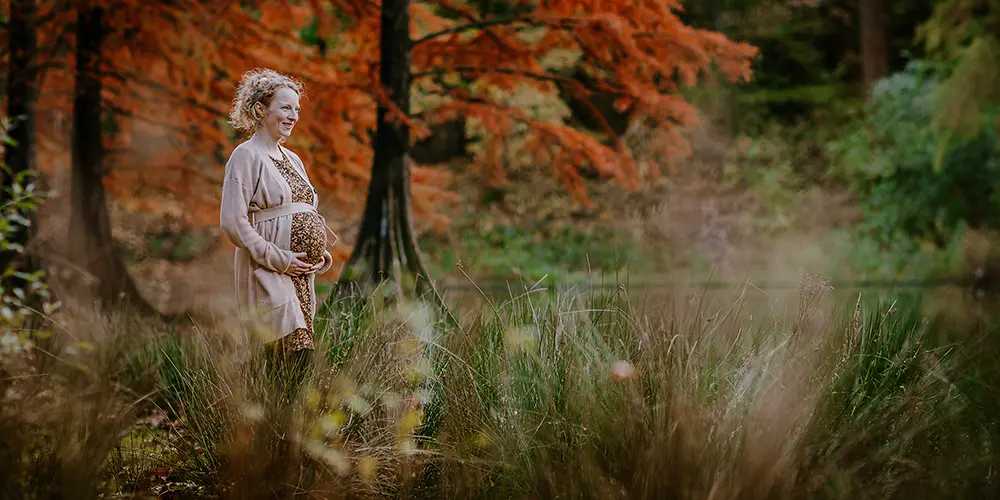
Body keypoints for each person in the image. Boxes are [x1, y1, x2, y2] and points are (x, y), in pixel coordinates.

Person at [219, 68, 336, 358]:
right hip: (268, 270)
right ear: (260, 109)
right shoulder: (246, 155)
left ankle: (281, 406)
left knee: (293, 356)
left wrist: (317, 253)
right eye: (285, 107)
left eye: (296, 109)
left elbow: (304, 210)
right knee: (289, 352)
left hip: (301, 275)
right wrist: (279, 258)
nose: (294, 116)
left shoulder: (294, 159)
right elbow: (233, 222)